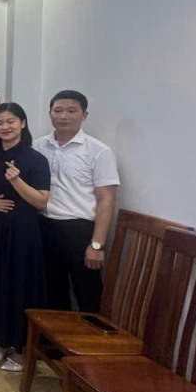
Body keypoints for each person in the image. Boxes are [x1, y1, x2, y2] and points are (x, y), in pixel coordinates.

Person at [0, 103, 51, 372]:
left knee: (19, 286)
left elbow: (41, 201)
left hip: (22, 231)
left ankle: (20, 349)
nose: (5, 127)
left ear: (22, 123)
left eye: (10, 121)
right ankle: (0, 341)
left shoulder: (36, 159)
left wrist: (17, 181)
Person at [33, 90, 120, 313]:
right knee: (52, 292)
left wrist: (97, 245)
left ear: (84, 115)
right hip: (44, 226)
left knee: (88, 293)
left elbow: (107, 199)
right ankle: (55, 336)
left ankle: (92, 336)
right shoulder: (38, 146)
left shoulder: (98, 151)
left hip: (79, 230)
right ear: (50, 114)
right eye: (58, 110)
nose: (63, 116)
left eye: (71, 111)